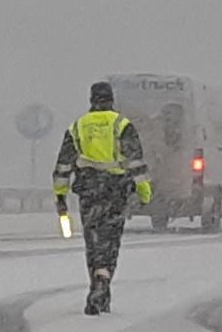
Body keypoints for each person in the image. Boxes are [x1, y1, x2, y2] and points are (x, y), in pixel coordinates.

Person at [53, 82, 153, 315]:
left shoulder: (77, 127)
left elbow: (63, 165)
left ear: (91, 100)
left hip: (88, 190)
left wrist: (60, 194)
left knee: (93, 240)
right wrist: (144, 192)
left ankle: (97, 282)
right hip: (115, 190)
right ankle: (103, 278)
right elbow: (136, 162)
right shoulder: (121, 125)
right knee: (110, 240)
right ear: (111, 99)